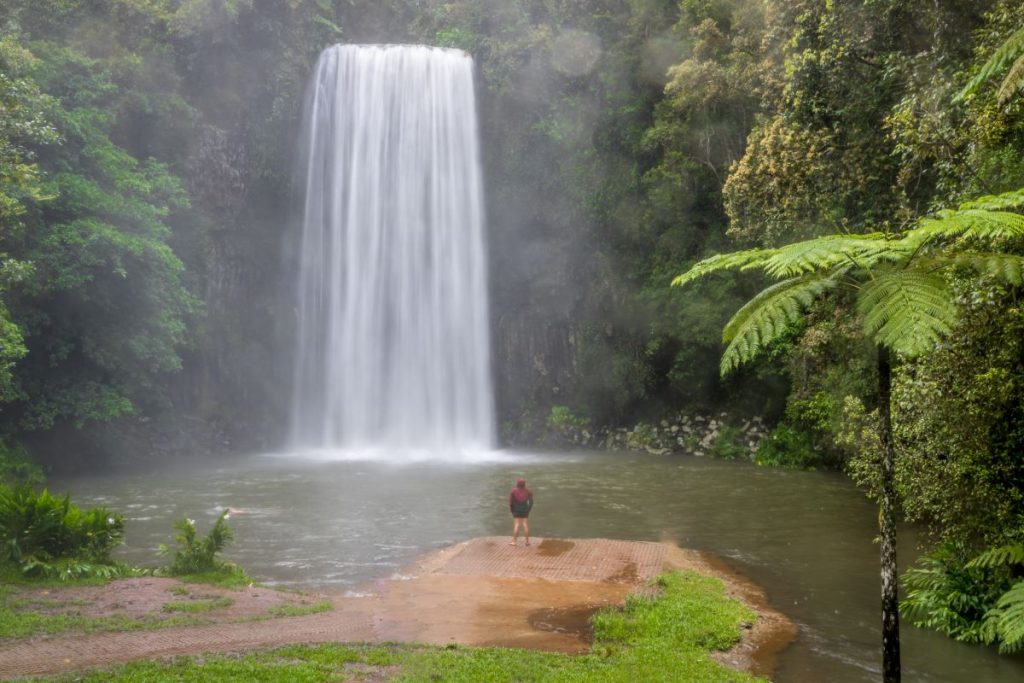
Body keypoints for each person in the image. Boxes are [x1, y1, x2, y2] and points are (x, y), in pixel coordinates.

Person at [508, 477, 533, 546]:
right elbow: (531, 502)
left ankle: (514, 541)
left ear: (517, 484)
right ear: (524, 484)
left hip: (516, 509)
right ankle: (527, 542)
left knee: (516, 525)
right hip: (525, 509)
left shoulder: (513, 491)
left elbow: (510, 502)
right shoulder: (528, 491)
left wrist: (512, 510)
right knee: (525, 524)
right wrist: (528, 509)